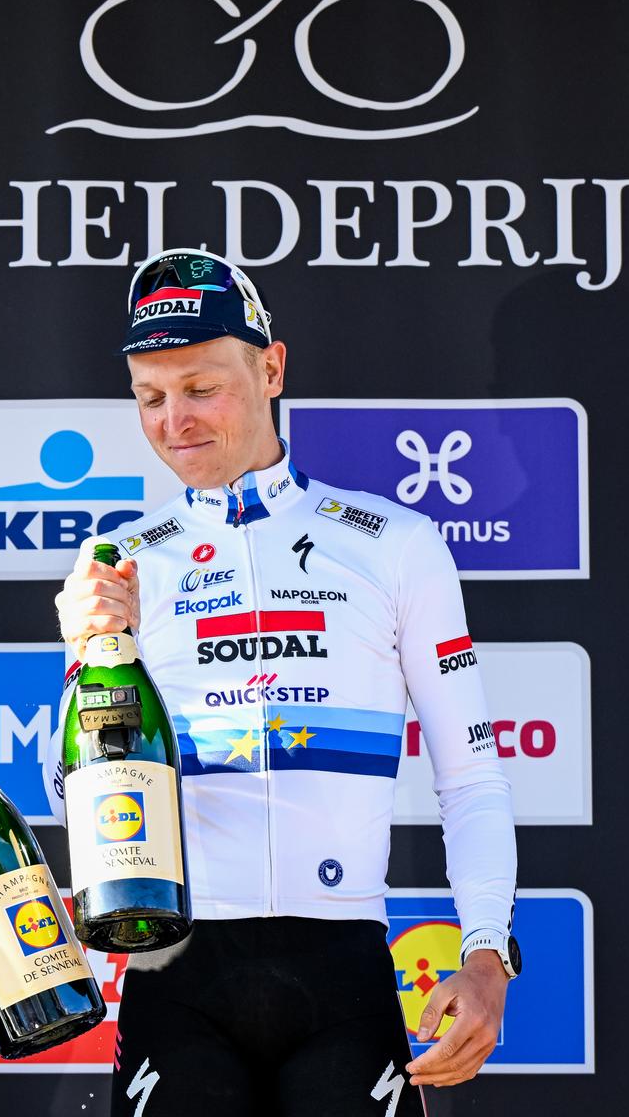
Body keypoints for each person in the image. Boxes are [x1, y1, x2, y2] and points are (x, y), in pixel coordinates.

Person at [53, 249, 519, 1116]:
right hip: (176, 977)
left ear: (270, 368)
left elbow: (472, 775)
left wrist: (486, 950)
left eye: (200, 388)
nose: (174, 421)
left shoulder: (393, 544)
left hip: (340, 976)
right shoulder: (118, 560)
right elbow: (74, 797)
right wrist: (89, 649)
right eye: (149, 398)